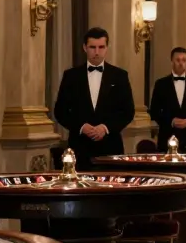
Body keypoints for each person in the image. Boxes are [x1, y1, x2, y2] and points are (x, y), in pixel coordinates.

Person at [53, 27, 135, 169]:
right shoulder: (71, 76)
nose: (97, 52)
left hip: (111, 148)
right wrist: (81, 127)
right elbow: (60, 111)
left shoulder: (120, 75)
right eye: (92, 47)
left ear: (106, 48)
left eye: (101, 47)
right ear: (85, 47)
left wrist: (105, 128)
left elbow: (128, 111)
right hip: (79, 148)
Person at [149, 46, 186, 152]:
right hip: (167, 137)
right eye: (177, 60)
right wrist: (171, 121)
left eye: (184, 60)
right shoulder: (161, 84)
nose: (181, 63)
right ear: (172, 61)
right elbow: (154, 110)